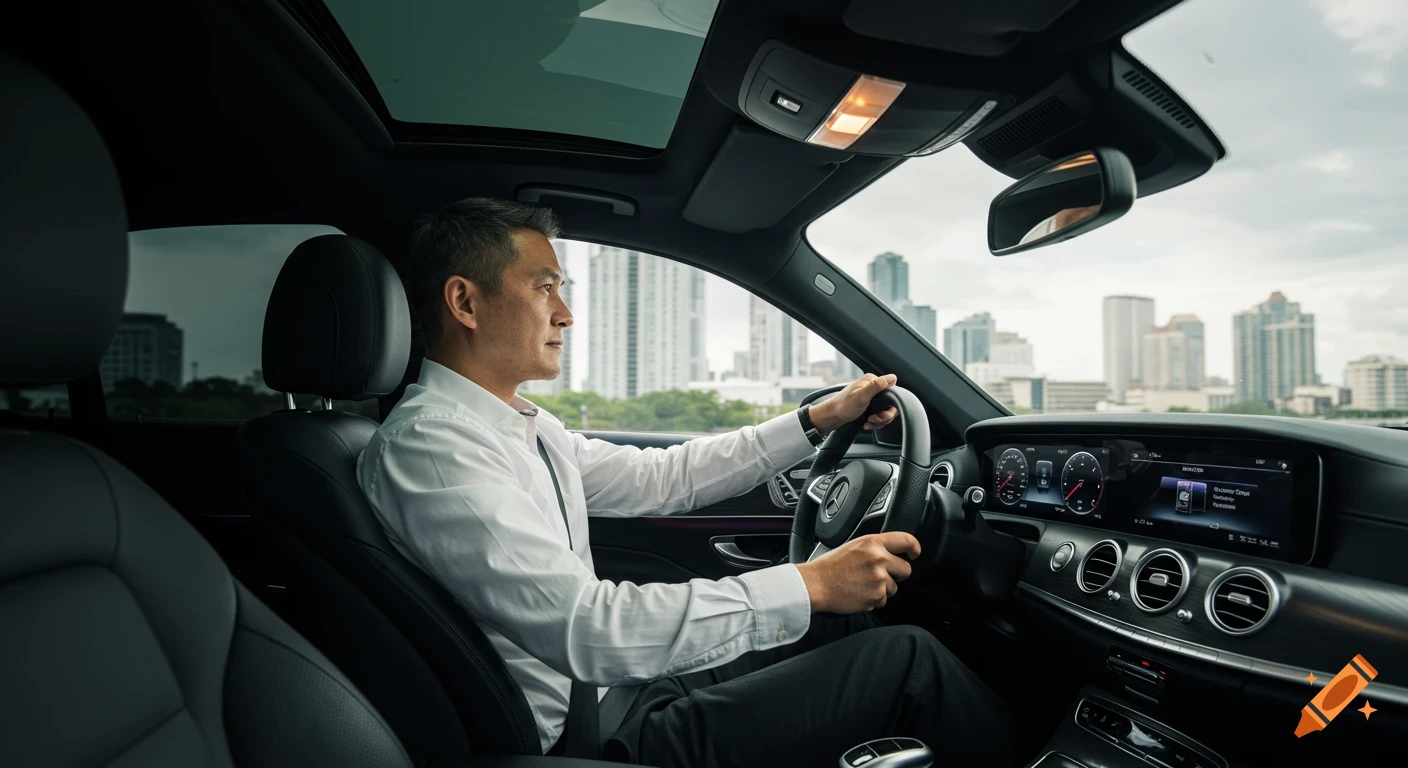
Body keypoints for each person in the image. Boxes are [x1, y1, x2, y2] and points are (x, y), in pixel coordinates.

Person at [357, 198, 1019, 767]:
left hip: (612, 696)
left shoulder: (511, 426)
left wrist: (817, 421)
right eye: (542, 287)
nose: (565, 313)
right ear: (465, 302)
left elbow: (661, 477)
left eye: (563, 291)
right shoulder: (434, 447)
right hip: (595, 738)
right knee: (907, 661)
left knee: (844, 626)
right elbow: (590, 630)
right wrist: (811, 582)